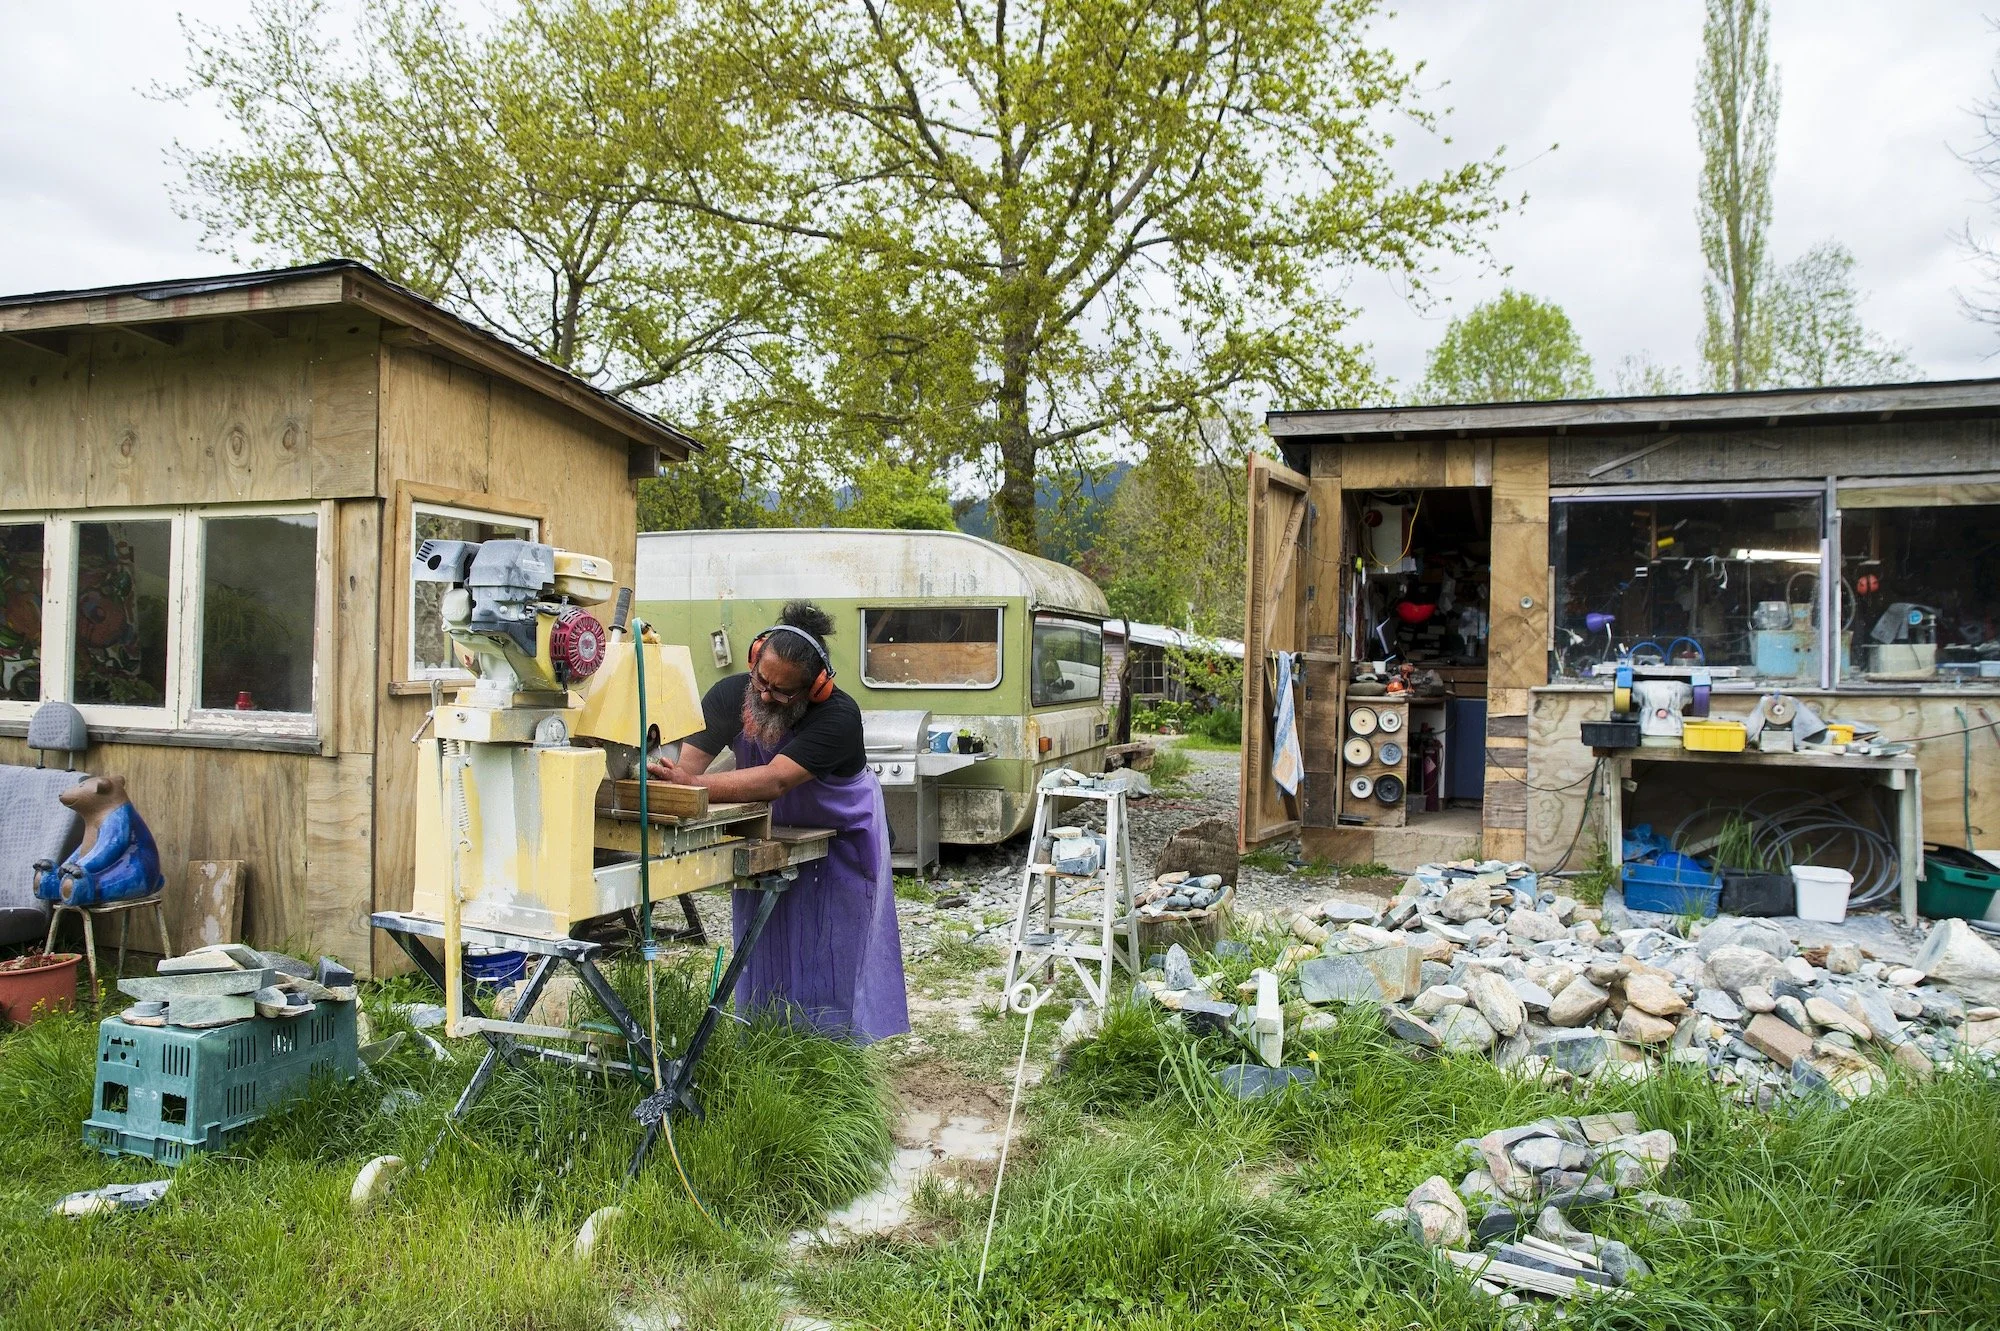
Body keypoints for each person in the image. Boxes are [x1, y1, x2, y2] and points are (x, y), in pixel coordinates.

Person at [647, 601, 909, 1043]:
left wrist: (695, 783)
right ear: (753, 661)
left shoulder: (839, 716)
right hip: (772, 833)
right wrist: (666, 778)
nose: (766, 695)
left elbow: (774, 779)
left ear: (815, 690)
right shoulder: (733, 694)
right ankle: (766, 1040)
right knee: (764, 939)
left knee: (834, 944)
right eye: (762, 681)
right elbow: (685, 767)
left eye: (783, 692)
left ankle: (836, 1051)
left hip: (844, 836)